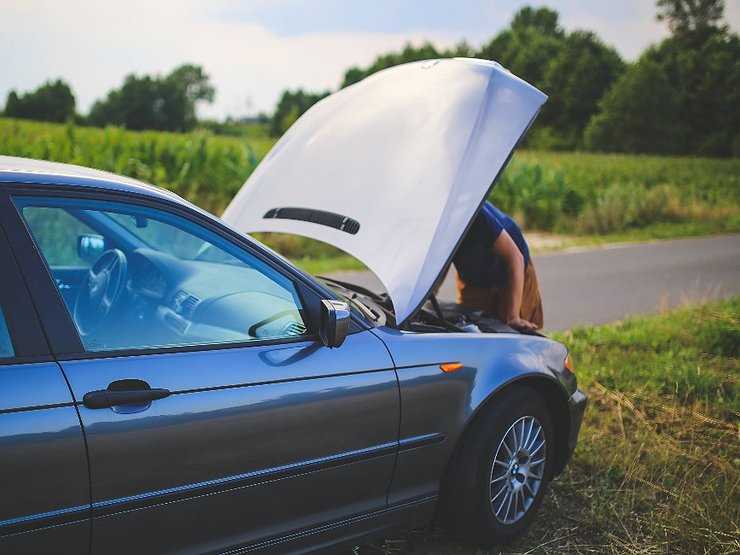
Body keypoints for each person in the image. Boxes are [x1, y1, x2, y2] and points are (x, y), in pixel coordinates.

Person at [453, 201, 543, 331]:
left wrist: (513, 316)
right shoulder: (431, 223)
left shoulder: (475, 213)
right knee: (470, 328)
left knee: (514, 331)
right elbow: (438, 265)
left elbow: (515, 258)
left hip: (512, 270)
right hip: (474, 277)